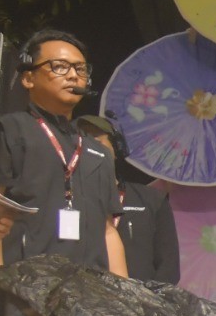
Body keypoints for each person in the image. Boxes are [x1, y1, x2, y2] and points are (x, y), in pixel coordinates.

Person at [0, 30, 127, 275]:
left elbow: (108, 231)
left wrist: (127, 298)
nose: (72, 75)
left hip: (91, 297)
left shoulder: (96, 151)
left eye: (80, 69)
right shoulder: (10, 131)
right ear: (28, 78)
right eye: (59, 66)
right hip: (25, 291)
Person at [77, 113, 180, 284]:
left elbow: (168, 268)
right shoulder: (63, 199)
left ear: (117, 149)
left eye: (96, 142)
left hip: (140, 305)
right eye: (81, 143)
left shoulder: (151, 200)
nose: (88, 149)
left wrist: (149, 303)